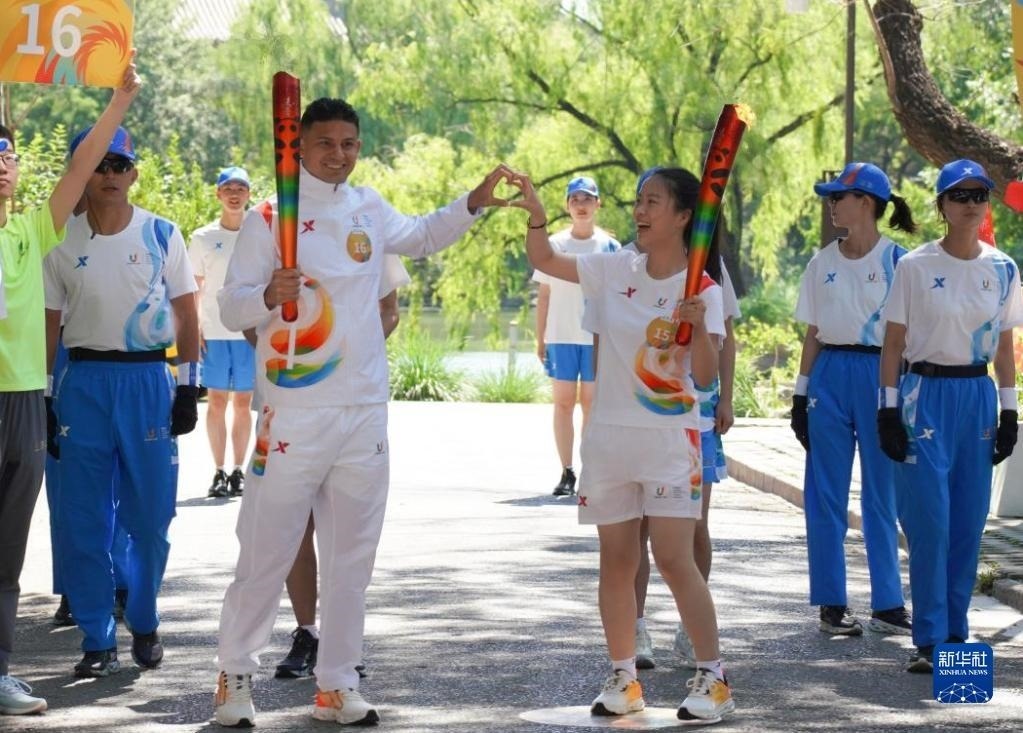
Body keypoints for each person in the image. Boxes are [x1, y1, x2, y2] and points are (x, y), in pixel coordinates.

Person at [212, 97, 513, 728]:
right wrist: (267, 293)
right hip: (293, 410)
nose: (339, 154)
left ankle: (337, 683)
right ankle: (235, 675)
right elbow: (232, 306)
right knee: (267, 548)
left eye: (348, 143)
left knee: (352, 558)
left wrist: (474, 201)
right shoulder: (269, 217)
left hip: (363, 410)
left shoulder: (368, 207)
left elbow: (423, 236)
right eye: (326, 143)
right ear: (299, 145)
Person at [517, 166, 734, 724]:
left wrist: (697, 327)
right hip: (609, 438)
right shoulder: (614, 268)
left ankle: (713, 677)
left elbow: (704, 376)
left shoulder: (703, 288)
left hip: (670, 440)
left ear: (683, 216)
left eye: (653, 202)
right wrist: (537, 215)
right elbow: (545, 260)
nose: (640, 210)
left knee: (674, 560)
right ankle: (624, 676)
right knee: (615, 561)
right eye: (639, 200)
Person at [0, 62, 139, 714]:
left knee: (7, 554)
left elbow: (83, 168)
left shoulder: (31, 232)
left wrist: (119, 102)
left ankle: (0, 671)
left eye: (6, 155)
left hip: (24, 400)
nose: (1, 165)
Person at [43, 122, 200, 678]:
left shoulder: (162, 233)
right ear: (80, 174)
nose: (110, 175)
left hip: (147, 383)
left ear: (133, 174)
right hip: (84, 383)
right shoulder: (59, 240)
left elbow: (187, 314)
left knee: (151, 518)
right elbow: (50, 325)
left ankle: (145, 616)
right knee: (84, 519)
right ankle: (96, 637)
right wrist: (45, 395)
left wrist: (188, 386)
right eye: (98, 165)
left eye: (120, 165)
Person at [878, 159, 1023, 673]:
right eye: (958, 195)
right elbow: (892, 344)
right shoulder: (915, 266)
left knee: (967, 522)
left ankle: (955, 634)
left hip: (976, 396)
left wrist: (1010, 412)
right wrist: (887, 410)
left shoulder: (1003, 268)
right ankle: (929, 636)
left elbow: (1003, 348)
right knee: (930, 522)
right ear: (941, 204)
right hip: (924, 395)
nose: (970, 204)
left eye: (978, 194)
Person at [790, 162, 918, 639]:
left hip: (882, 375)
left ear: (865, 202)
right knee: (825, 492)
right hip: (829, 375)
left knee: (882, 492)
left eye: (838, 197)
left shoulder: (901, 263)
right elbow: (812, 334)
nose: (831, 205)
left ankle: (888, 603)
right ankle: (831, 602)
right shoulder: (820, 263)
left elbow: (911, 337)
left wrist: (901, 398)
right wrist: (800, 395)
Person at [275, 255, 409, 680]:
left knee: (346, 531)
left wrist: (347, 355)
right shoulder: (281, 232)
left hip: (354, 404)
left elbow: (389, 310)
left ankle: (341, 641)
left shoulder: (372, 231)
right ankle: (307, 632)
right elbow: (250, 314)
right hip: (294, 398)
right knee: (296, 524)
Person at [533, 176, 619, 496]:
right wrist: (540, 338)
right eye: (575, 200)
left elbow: (620, 297)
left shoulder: (610, 248)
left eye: (587, 199)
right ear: (567, 206)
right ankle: (567, 470)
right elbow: (544, 295)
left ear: (598, 204)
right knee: (564, 403)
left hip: (596, 337)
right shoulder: (554, 245)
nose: (581, 206)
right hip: (561, 335)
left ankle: (590, 468)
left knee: (592, 404)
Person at [188, 166, 255, 498]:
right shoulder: (202, 237)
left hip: (248, 332)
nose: (234, 194)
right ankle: (218, 471)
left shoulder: (259, 234)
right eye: (228, 188)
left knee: (243, 403)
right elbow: (194, 288)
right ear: (218, 194)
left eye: (240, 188)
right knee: (216, 401)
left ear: (249, 195)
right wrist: (195, 326)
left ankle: (239, 470)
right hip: (213, 332)